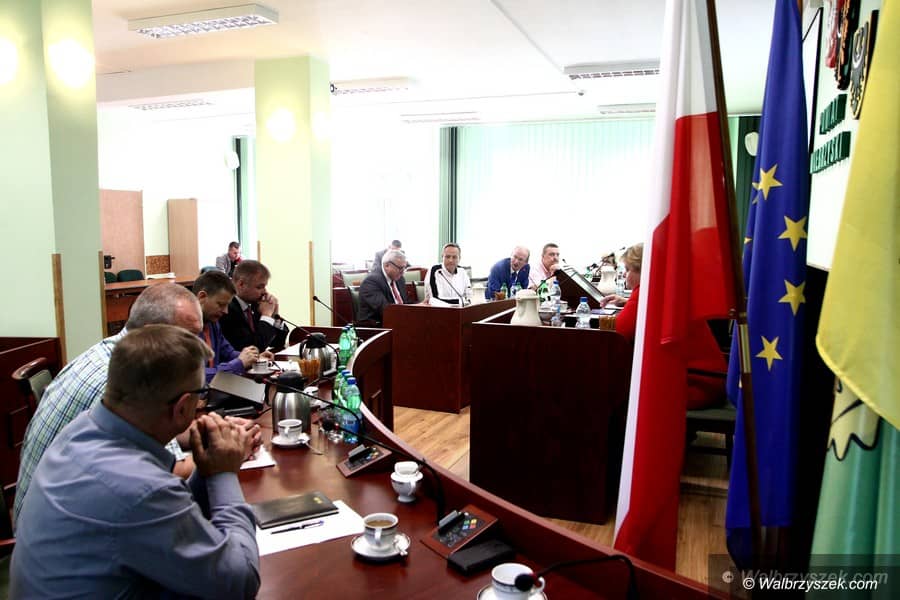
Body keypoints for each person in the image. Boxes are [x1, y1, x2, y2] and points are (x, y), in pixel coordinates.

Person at [10, 325, 260, 598]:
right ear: (182, 407)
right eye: (201, 394)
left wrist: (207, 462)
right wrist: (224, 473)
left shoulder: (79, 430)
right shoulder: (141, 489)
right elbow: (240, 582)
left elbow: (162, 515)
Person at [13, 283, 201, 525]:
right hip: (60, 528)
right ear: (152, 335)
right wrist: (224, 452)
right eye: (188, 338)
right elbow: (170, 476)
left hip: (48, 511)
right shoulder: (128, 382)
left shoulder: (108, 353)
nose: (198, 348)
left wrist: (204, 433)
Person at [600, 243, 726, 409]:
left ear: (643, 271)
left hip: (694, 385)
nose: (625, 274)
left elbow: (616, 335)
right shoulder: (664, 287)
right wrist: (628, 302)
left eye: (628, 269)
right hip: (710, 381)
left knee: (609, 390)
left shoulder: (647, 292)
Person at [194, 269, 273, 382]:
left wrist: (253, 357)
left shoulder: (213, 323)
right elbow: (196, 375)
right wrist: (239, 363)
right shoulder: (183, 327)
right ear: (202, 297)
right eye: (221, 304)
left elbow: (229, 353)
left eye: (227, 305)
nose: (226, 311)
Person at [219, 259, 289, 352]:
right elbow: (254, 348)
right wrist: (266, 315)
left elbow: (277, 342)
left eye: (265, 286)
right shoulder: (227, 309)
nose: (264, 292)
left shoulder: (254, 306)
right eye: (259, 287)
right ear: (241, 284)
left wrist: (274, 315)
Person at [359, 249, 408, 324]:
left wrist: (420, 306)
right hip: (378, 326)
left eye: (404, 268)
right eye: (400, 268)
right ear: (386, 265)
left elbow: (406, 303)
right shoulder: (371, 282)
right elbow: (385, 310)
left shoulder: (400, 279)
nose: (403, 272)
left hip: (398, 321)